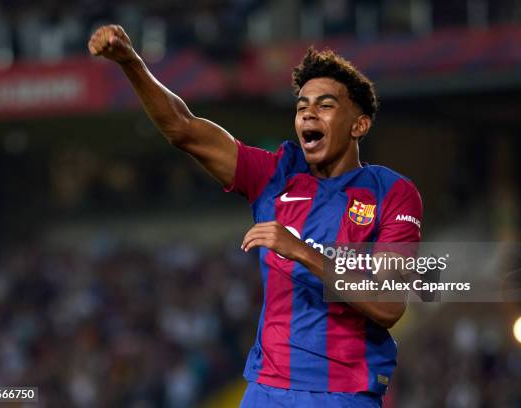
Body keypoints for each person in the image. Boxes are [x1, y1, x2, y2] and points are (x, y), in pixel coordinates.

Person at [88, 24, 422, 407]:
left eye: (325, 105)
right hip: (267, 391)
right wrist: (130, 61)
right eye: (302, 107)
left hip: (343, 394)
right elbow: (184, 128)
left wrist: (302, 251)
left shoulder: (392, 193)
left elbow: (388, 305)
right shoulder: (275, 176)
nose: (308, 113)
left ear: (359, 124)